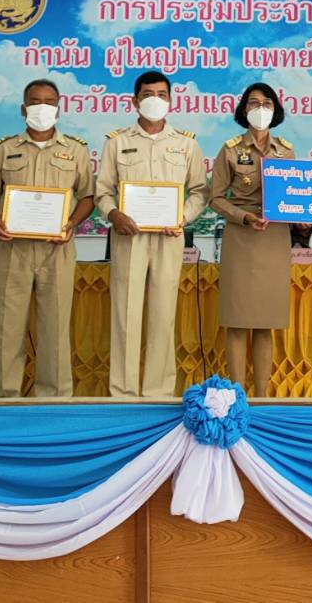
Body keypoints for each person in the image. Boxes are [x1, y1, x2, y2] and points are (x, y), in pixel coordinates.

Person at [0, 78, 95, 398]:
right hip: (12, 249)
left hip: (57, 250)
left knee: (55, 327)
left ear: (59, 108)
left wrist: (72, 223)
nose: (42, 107)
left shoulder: (76, 150)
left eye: (49, 102)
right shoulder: (5, 149)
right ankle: (6, 396)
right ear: (23, 108)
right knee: (8, 326)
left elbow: (88, 196)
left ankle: (54, 398)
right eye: (35, 101)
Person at [95, 70, 209, 397]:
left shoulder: (186, 143)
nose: (154, 100)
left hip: (169, 237)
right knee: (126, 314)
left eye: (161, 95)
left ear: (170, 100)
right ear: (135, 101)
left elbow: (200, 191)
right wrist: (113, 214)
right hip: (128, 237)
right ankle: (123, 393)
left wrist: (182, 217)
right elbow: (102, 191)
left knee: (163, 314)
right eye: (147, 95)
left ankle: (158, 391)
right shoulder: (117, 142)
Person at [207, 81, 295, 395]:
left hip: (274, 237)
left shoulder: (285, 150)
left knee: (265, 320)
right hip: (241, 236)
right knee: (237, 319)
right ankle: (236, 396)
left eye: (267, 103)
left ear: (276, 110)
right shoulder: (230, 149)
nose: (261, 109)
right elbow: (215, 198)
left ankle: (262, 396)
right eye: (254, 103)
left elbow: (295, 194)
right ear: (244, 110)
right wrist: (242, 216)